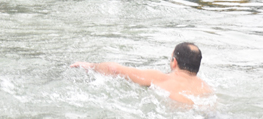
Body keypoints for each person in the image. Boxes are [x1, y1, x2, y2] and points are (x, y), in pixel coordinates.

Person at [72, 43, 212, 106]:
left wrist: (90, 66)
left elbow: (113, 69)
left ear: (174, 62)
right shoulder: (206, 88)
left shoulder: (162, 78)